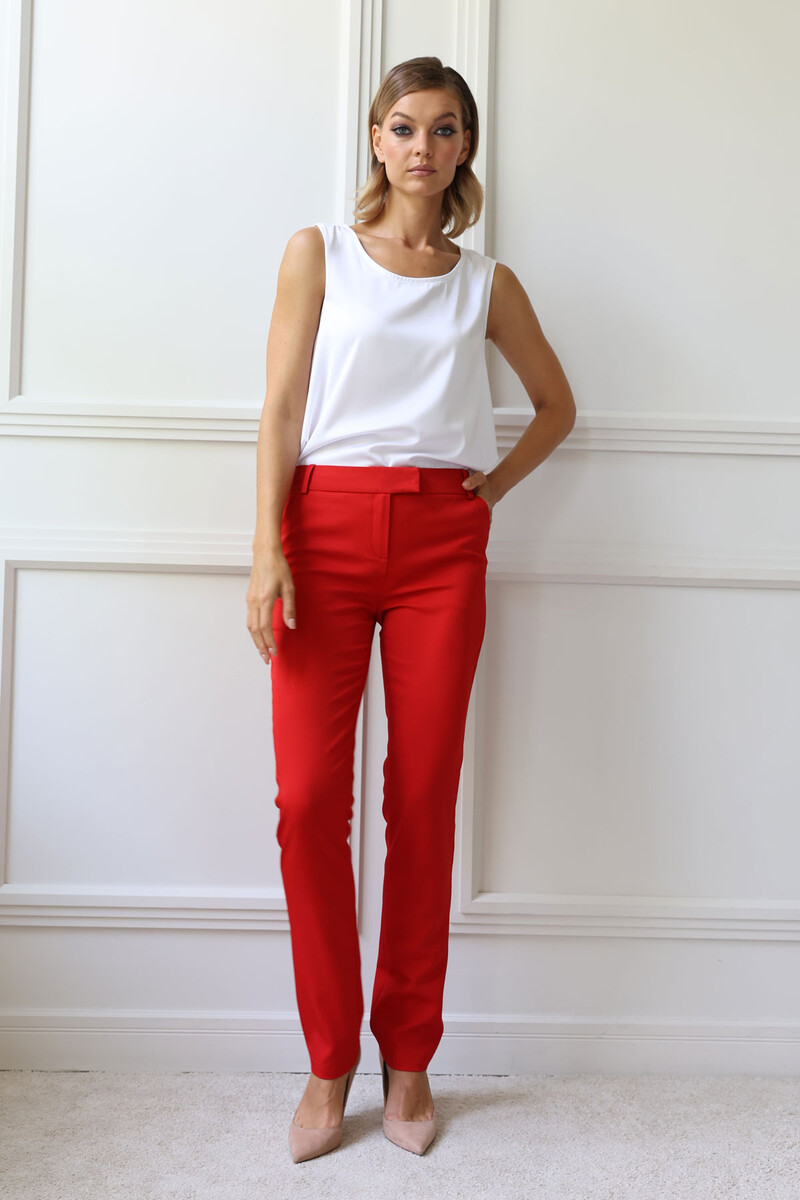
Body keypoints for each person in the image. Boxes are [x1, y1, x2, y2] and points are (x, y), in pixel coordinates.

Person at [246, 56, 576, 1164]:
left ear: (464, 147)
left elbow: (555, 405)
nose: (421, 147)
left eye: (442, 129)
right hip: (323, 530)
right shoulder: (319, 254)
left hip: (442, 543)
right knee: (306, 804)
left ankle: (409, 1054)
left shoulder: (485, 283)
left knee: (422, 800)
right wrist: (267, 551)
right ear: (375, 140)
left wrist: (486, 491)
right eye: (402, 126)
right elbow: (280, 408)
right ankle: (326, 1058)